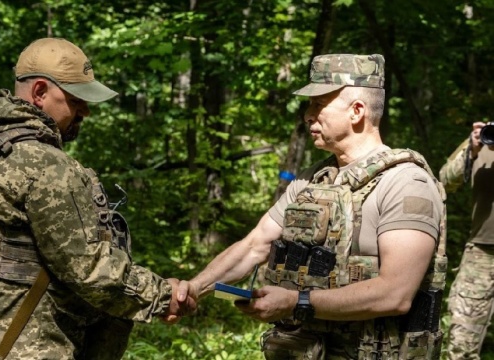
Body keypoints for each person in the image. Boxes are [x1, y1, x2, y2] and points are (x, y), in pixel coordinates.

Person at [175, 54, 447, 359]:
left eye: (318, 105)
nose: (308, 115)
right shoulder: (314, 179)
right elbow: (255, 245)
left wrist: (296, 301)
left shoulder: (406, 183)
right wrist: (195, 288)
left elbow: (396, 294)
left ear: (357, 111)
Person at [0, 37, 194, 359]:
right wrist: (164, 295)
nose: (85, 111)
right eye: (76, 100)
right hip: (37, 341)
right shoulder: (45, 164)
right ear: (39, 93)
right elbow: (88, 268)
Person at [440, 121, 494, 360]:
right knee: (461, 346)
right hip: (481, 256)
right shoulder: (485, 137)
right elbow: (444, 181)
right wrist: (470, 151)